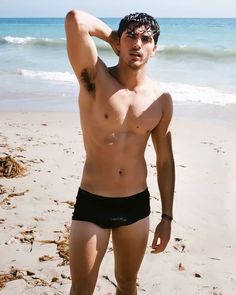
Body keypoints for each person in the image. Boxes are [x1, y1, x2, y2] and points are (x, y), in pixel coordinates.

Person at [65, 9, 175, 295]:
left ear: (155, 49)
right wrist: (113, 36)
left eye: (146, 39)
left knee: (127, 284)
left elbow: (164, 161)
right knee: (82, 288)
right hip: (92, 203)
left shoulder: (160, 100)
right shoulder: (94, 78)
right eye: (131, 36)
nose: (138, 44)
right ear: (118, 42)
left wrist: (167, 218)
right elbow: (76, 19)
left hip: (135, 207)